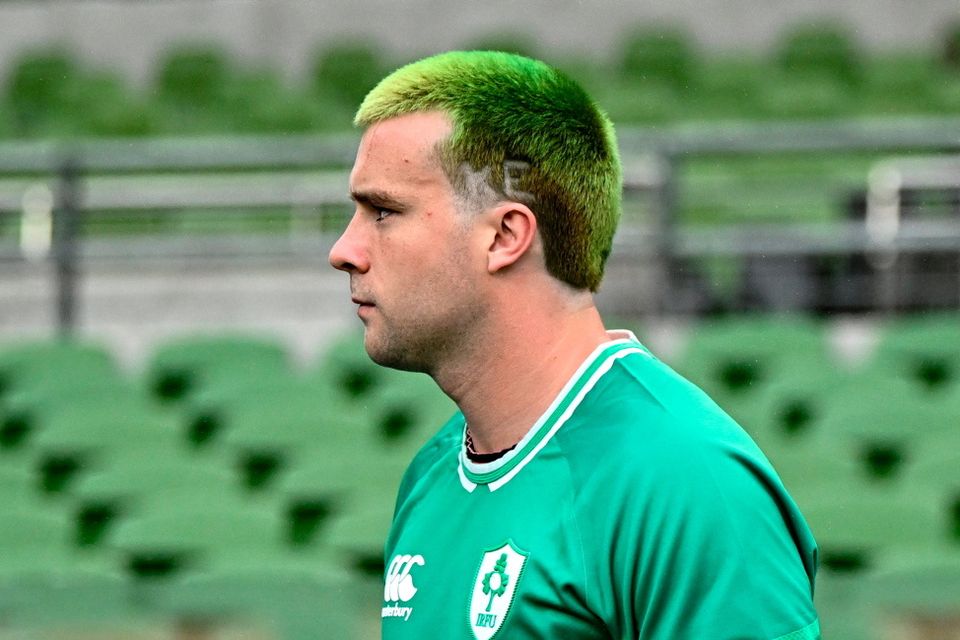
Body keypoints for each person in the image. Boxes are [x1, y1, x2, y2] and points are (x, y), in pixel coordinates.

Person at [329, 50, 820, 640]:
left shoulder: (686, 480)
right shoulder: (431, 477)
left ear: (505, 236)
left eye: (383, 211)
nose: (344, 249)